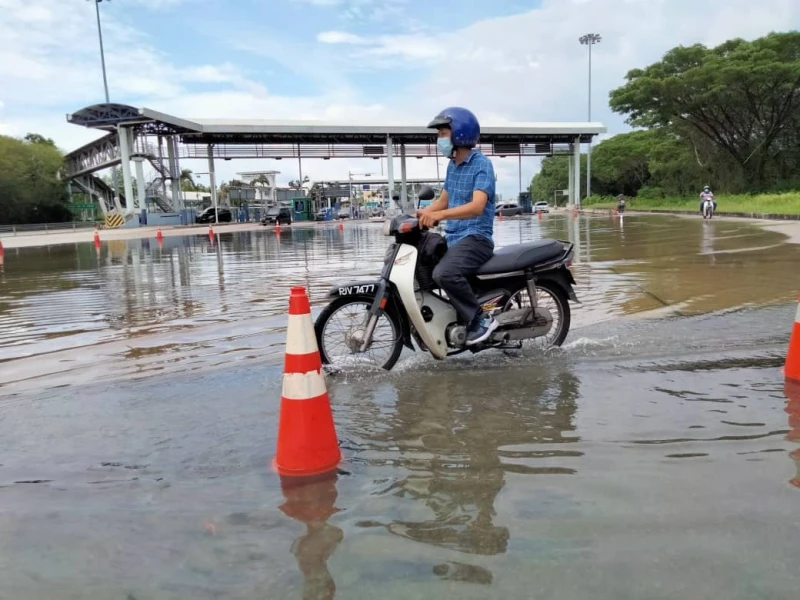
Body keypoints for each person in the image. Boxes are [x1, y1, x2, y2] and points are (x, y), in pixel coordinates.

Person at [417, 107, 498, 346]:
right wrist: (420, 214)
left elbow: (477, 206)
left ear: (460, 134)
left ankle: (480, 320)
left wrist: (440, 215)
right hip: (455, 237)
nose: (439, 139)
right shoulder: (453, 166)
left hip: (477, 237)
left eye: (443, 133)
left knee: (444, 273)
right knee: (423, 270)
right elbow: (444, 199)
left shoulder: (482, 164)